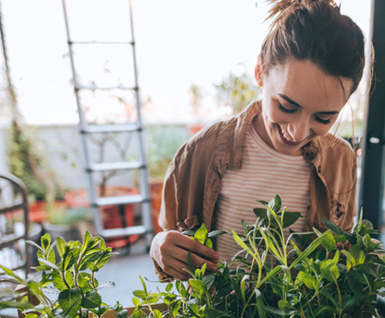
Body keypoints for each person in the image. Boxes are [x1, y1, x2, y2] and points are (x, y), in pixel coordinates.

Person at [151, 0, 367, 281]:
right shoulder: (200, 152)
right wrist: (159, 248)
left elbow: (342, 245)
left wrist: (351, 254)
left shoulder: (342, 159)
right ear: (260, 72)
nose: (298, 133)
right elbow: (167, 239)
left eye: (324, 119)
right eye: (287, 107)